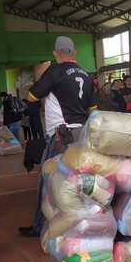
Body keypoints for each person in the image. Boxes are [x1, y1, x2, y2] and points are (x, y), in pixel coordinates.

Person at [19, 36, 96, 237]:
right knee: (79, 179)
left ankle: (41, 225)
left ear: (55, 53)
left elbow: (32, 96)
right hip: (82, 132)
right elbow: (93, 108)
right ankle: (85, 220)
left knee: (48, 178)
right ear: (75, 53)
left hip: (61, 134)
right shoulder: (87, 75)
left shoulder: (54, 71)